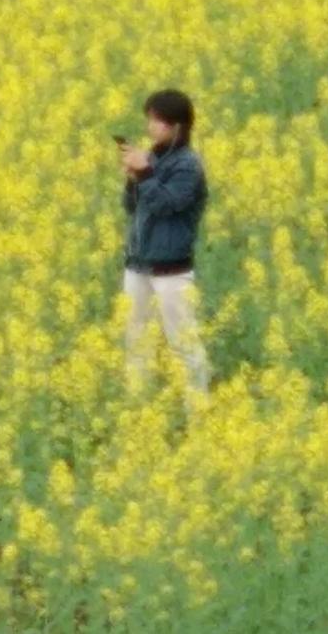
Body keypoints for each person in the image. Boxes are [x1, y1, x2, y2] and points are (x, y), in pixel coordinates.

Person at [118, 89, 211, 414]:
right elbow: (132, 207)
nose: (150, 127)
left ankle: (198, 414)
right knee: (136, 341)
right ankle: (139, 411)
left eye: (157, 121)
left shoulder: (188, 166)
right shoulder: (152, 158)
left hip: (171, 270)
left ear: (177, 127)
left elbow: (167, 204)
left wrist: (144, 173)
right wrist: (132, 179)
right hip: (138, 265)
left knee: (183, 344)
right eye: (150, 119)